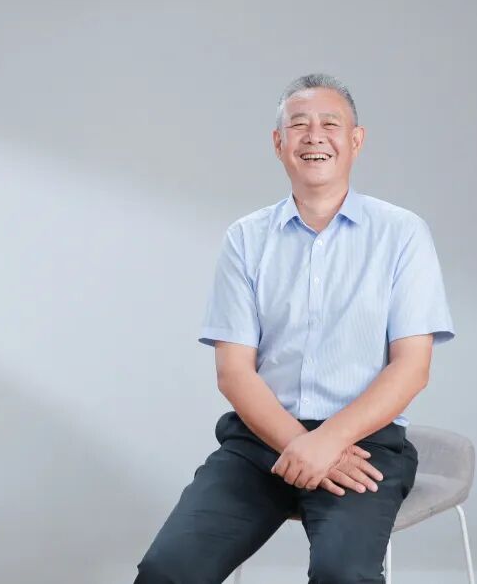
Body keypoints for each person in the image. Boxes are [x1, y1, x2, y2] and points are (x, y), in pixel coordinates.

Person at [134, 73, 456, 583]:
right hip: (259, 442)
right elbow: (234, 372)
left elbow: (412, 368)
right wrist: (299, 443)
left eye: (330, 124)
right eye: (299, 125)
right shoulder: (246, 239)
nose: (314, 137)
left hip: (363, 444)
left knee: (343, 575)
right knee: (168, 571)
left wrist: (329, 441)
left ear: (356, 140)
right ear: (278, 142)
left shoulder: (402, 234)